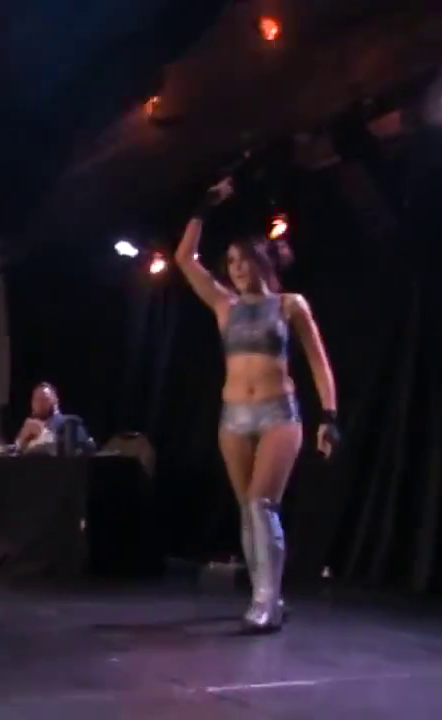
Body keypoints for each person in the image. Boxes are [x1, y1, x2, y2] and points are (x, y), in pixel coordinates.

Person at [174, 177, 338, 634]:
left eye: (243, 258)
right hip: (234, 418)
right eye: (230, 262)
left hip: (277, 414)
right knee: (247, 508)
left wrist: (329, 416)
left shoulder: (289, 305)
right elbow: (184, 259)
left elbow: (318, 362)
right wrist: (203, 205)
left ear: (261, 259)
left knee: (262, 503)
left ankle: (266, 603)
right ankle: (268, 595)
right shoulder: (224, 305)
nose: (237, 268)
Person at [14, 383, 91, 455]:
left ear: (56, 401)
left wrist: (42, 435)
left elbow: (77, 451)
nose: (40, 404)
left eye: (45, 399)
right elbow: (15, 454)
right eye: (36, 400)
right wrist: (22, 438)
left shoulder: (70, 423)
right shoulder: (28, 427)